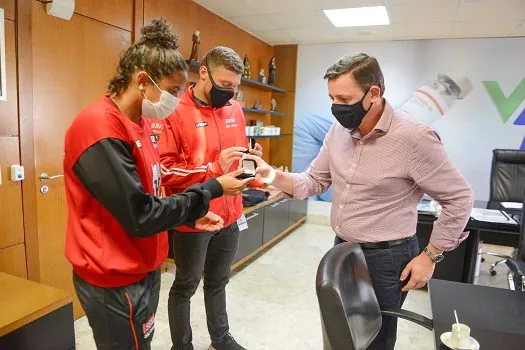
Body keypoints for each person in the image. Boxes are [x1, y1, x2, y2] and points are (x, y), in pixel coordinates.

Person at [245, 53, 474, 350]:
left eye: (344, 98)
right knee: (342, 332)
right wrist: (271, 175)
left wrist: (430, 256)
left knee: (375, 338)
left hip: (388, 259)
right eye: (331, 98)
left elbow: (459, 197)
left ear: (373, 93)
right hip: (343, 247)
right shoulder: (337, 131)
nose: (336, 107)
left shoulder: (415, 138)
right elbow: (314, 181)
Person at [64, 19, 253, 350]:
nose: (178, 98)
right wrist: (212, 187)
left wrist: (188, 215)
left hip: (144, 266)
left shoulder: (138, 124)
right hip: (114, 276)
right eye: (173, 90)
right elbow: (140, 214)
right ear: (142, 81)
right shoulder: (99, 128)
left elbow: (151, 192)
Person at [157, 46, 261, 350]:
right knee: (186, 285)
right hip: (195, 216)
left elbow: (238, 156)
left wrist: (251, 160)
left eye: (235, 87)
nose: (230, 92)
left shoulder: (235, 110)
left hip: (231, 213)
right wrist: (214, 168)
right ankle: (183, 346)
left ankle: (220, 338)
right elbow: (165, 171)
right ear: (204, 72)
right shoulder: (173, 110)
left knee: (218, 282)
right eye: (225, 84)